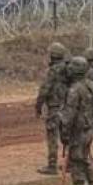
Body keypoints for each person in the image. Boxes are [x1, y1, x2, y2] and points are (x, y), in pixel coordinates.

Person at [58, 56, 93, 185]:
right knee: (83, 158)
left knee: (76, 160)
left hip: (78, 129)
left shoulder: (75, 89)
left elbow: (69, 115)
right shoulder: (90, 84)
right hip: (88, 126)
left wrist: (64, 133)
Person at [35, 42, 70, 175]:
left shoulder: (53, 70)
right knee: (66, 135)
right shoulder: (68, 69)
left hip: (54, 107)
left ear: (52, 56)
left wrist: (38, 105)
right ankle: (70, 163)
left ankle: (52, 165)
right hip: (67, 107)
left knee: (52, 136)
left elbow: (45, 89)